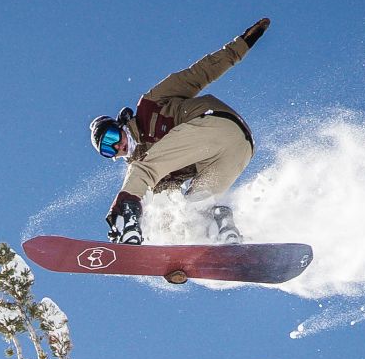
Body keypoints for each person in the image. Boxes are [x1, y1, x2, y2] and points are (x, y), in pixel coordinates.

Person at [90, 17, 270, 246]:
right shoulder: (161, 171)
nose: (116, 147)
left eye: (112, 137)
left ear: (122, 124)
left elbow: (199, 73)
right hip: (240, 149)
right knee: (194, 207)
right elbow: (166, 205)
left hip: (214, 124)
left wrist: (241, 45)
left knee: (141, 169)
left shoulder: (150, 105)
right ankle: (224, 232)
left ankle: (124, 223)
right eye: (108, 149)